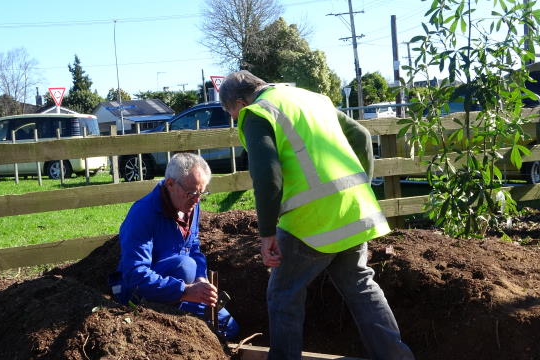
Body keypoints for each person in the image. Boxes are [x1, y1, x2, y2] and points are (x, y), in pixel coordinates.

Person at [219, 71, 414, 360]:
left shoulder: (256, 113)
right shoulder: (312, 98)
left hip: (308, 222)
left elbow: (267, 176)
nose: (235, 119)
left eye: (231, 113)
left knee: (284, 295)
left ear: (239, 101)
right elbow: (360, 135)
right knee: (361, 285)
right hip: (352, 209)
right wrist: (362, 185)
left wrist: (266, 234)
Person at [111, 152, 239, 340]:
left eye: (201, 193)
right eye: (192, 193)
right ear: (170, 184)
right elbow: (135, 275)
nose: (197, 200)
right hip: (139, 294)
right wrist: (185, 291)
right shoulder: (143, 215)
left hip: (180, 287)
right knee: (184, 266)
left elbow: (194, 246)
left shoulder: (190, 206)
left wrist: (201, 279)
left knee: (229, 329)